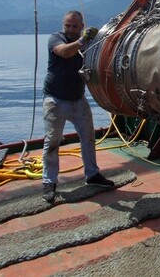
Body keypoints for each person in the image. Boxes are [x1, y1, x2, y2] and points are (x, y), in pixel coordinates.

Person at [42, 10, 113, 203]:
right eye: (67, 25)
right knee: (53, 141)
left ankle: (92, 175)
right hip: (55, 99)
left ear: (81, 26)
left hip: (78, 99)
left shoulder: (86, 42)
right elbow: (64, 52)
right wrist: (82, 41)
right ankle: (49, 183)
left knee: (88, 137)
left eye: (74, 26)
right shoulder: (56, 38)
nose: (70, 29)